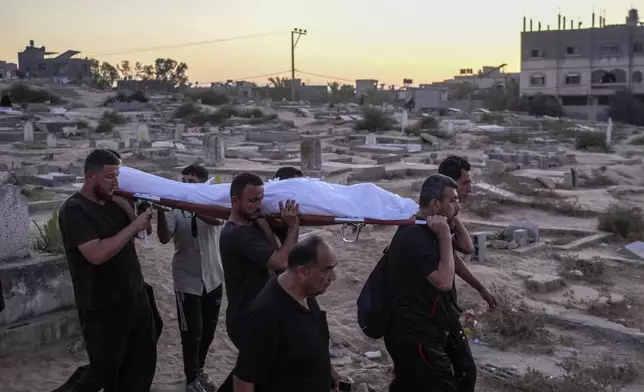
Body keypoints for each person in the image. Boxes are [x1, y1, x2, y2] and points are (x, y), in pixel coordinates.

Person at [57, 149, 157, 392]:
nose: (116, 182)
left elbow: (144, 233)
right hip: (103, 307)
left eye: (118, 176)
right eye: (110, 177)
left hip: (135, 297)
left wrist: (138, 214)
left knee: (141, 366)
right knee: (102, 374)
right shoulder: (74, 210)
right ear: (91, 176)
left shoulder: (116, 202)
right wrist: (134, 225)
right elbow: (97, 254)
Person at [216, 172, 300, 392]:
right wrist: (292, 228)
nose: (259, 205)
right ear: (235, 201)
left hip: (260, 313)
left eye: (261, 199)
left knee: (256, 371)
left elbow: (279, 249)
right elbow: (281, 261)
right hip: (246, 317)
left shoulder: (252, 225)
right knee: (258, 372)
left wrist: (267, 225)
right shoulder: (237, 234)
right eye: (253, 200)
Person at [383, 174, 460, 392]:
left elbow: (464, 248)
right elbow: (444, 281)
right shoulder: (414, 237)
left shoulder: (427, 230)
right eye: (452, 200)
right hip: (414, 334)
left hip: (424, 330)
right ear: (435, 204)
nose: (458, 205)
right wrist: (445, 237)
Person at [233, 235, 340, 392]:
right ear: (303, 272)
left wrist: (327, 371)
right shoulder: (267, 314)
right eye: (327, 270)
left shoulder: (306, 293)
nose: (333, 277)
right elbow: (243, 381)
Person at [156, 164, 225, 392]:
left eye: (191, 181)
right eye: (183, 180)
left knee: (208, 330)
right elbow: (165, 238)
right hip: (187, 279)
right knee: (191, 332)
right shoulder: (175, 209)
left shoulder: (213, 202)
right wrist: (160, 212)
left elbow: (217, 221)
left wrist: (192, 206)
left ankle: (200, 368)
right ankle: (191, 378)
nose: (185, 185)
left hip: (213, 276)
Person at [438, 155, 497, 392]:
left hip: (441, 305)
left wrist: (480, 288)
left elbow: (456, 255)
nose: (470, 189)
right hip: (428, 308)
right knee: (462, 371)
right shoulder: (432, 219)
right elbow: (466, 247)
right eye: (465, 183)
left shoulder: (445, 216)